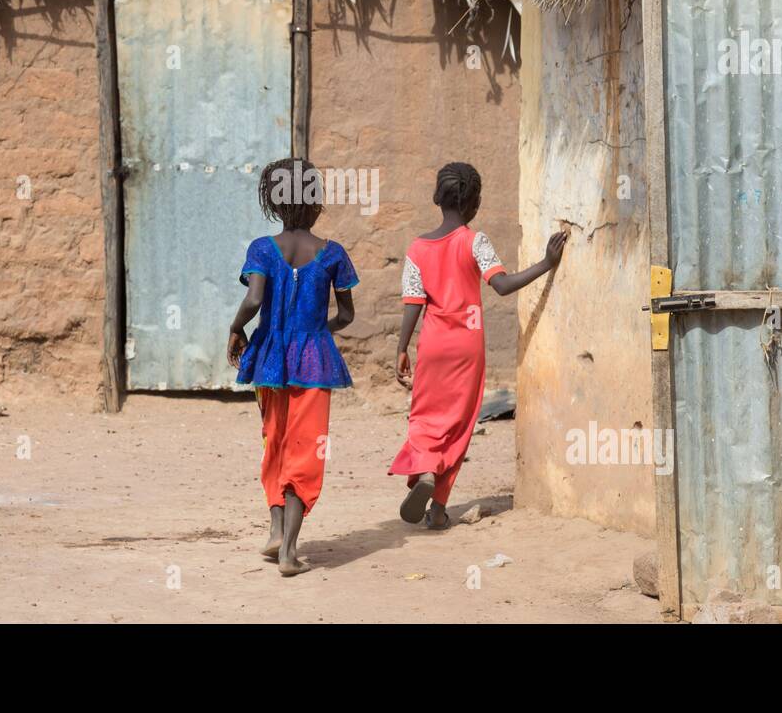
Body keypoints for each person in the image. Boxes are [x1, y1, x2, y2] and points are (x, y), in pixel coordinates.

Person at [391, 161, 567, 528]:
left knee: (425, 416)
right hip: (466, 347)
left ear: (438, 198)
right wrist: (546, 263)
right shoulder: (475, 241)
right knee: (459, 423)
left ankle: (423, 468)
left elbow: (413, 302)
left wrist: (402, 348)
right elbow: (501, 285)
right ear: (474, 204)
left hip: (433, 345)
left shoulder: (417, 248)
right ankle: (438, 508)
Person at [227, 157, 359, 575]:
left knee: (275, 441)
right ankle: (288, 550)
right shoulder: (332, 254)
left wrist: (235, 328)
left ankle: (274, 528)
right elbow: (347, 315)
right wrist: (320, 331)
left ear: (274, 204)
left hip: (268, 360)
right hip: (315, 363)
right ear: (315, 203)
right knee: (306, 448)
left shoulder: (262, 249)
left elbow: (253, 300)